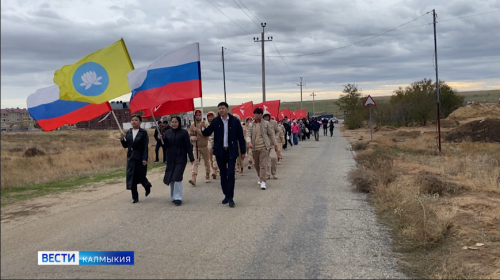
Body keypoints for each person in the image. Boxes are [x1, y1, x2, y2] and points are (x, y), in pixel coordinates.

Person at [197, 102, 246, 208]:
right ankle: (226, 195)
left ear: (227, 109)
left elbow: (241, 138)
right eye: (219, 109)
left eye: (223, 108)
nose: (221, 110)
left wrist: (243, 152)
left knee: (230, 173)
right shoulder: (215, 121)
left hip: (231, 151)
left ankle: (231, 197)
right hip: (220, 152)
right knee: (223, 174)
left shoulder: (235, 121)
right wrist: (202, 128)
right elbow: (207, 133)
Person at [159, 116, 194, 206]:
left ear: (179, 123)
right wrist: (161, 139)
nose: (174, 124)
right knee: (171, 177)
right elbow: (165, 146)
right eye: (172, 122)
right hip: (170, 157)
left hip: (181, 157)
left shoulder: (184, 133)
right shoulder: (167, 132)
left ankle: (178, 197)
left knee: (177, 177)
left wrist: (191, 158)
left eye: (176, 122)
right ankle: (173, 197)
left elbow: (188, 146)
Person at [120, 114, 152, 204]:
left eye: (136, 120)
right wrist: (122, 139)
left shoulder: (143, 132)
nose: (134, 121)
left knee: (141, 176)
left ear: (140, 122)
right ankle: (135, 197)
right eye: (132, 120)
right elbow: (125, 145)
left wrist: (145, 158)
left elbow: (145, 146)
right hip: (131, 158)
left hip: (140, 157)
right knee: (132, 178)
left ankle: (147, 186)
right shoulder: (128, 132)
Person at [246, 108, 277, 189]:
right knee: (256, 165)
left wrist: (275, 143)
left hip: (264, 147)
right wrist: (249, 142)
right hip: (254, 147)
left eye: (258, 114)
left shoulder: (266, 123)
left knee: (263, 164)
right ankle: (260, 177)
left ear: (261, 115)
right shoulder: (251, 124)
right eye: (255, 113)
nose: (256, 115)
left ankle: (263, 181)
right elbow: (248, 134)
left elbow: (271, 134)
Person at [188, 109, 211, 185]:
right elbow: (190, 135)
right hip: (196, 146)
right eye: (197, 115)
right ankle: (193, 177)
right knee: (195, 162)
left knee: (206, 162)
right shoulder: (192, 125)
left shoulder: (205, 124)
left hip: (204, 146)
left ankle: (207, 175)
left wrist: (198, 130)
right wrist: (192, 138)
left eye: (199, 115)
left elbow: (206, 134)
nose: (198, 116)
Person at [263, 113, 279, 180]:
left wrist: (275, 138)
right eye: (265, 117)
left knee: (274, 158)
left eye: (267, 116)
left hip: (272, 144)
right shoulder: (261, 123)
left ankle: (274, 173)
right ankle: (267, 174)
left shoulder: (273, 122)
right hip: (264, 144)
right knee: (266, 160)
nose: (266, 118)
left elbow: (277, 131)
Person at [206, 111, 219, 179]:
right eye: (209, 117)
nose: (210, 118)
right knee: (210, 158)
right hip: (209, 142)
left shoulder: (216, 124)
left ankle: (214, 170)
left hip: (216, 143)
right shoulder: (206, 125)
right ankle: (214, 169)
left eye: (211, 117)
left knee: (215, 158)